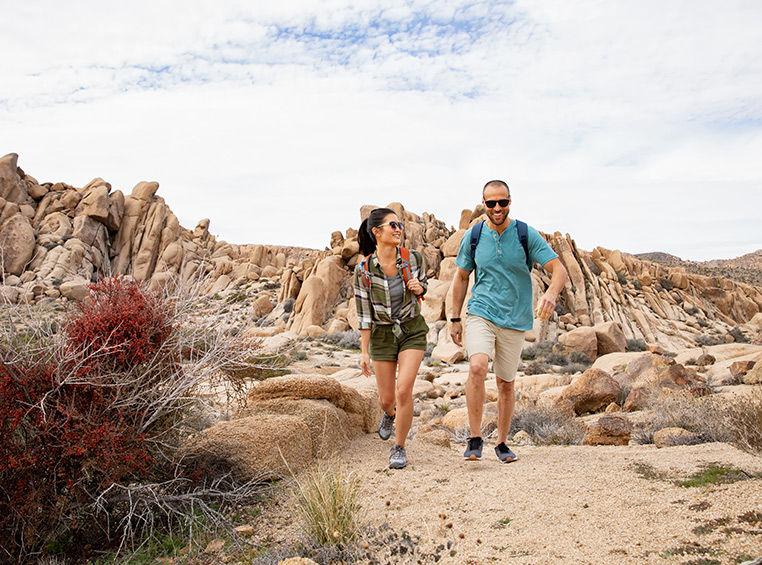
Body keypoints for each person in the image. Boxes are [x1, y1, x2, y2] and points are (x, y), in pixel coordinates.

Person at [450, 180, 568, 463]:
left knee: (505, 383)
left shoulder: (526, 234)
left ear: (510, 201)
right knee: (477, 366)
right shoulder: (474, 235)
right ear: (484, 204)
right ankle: (475, 438)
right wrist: (454, 318)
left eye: (502, 202)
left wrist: (551, 294)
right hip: (481, 311)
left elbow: (559, 269)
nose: (497, 208)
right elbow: (462, 277)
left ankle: (502, 443)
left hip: (515, 317)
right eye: (491, 203)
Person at [353, 208, 428, 470]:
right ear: (377, 232)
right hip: (382, 334)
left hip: (411, 330)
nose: (398, 229)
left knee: (403, 390)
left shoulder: (413, 258)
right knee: (386, 399)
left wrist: (420, 287)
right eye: (392, 225)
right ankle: (389, 414)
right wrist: (364, 352)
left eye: (400, 225)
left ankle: (399, 447)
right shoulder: (363, 270)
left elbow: (423, 284)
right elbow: (363, 315)